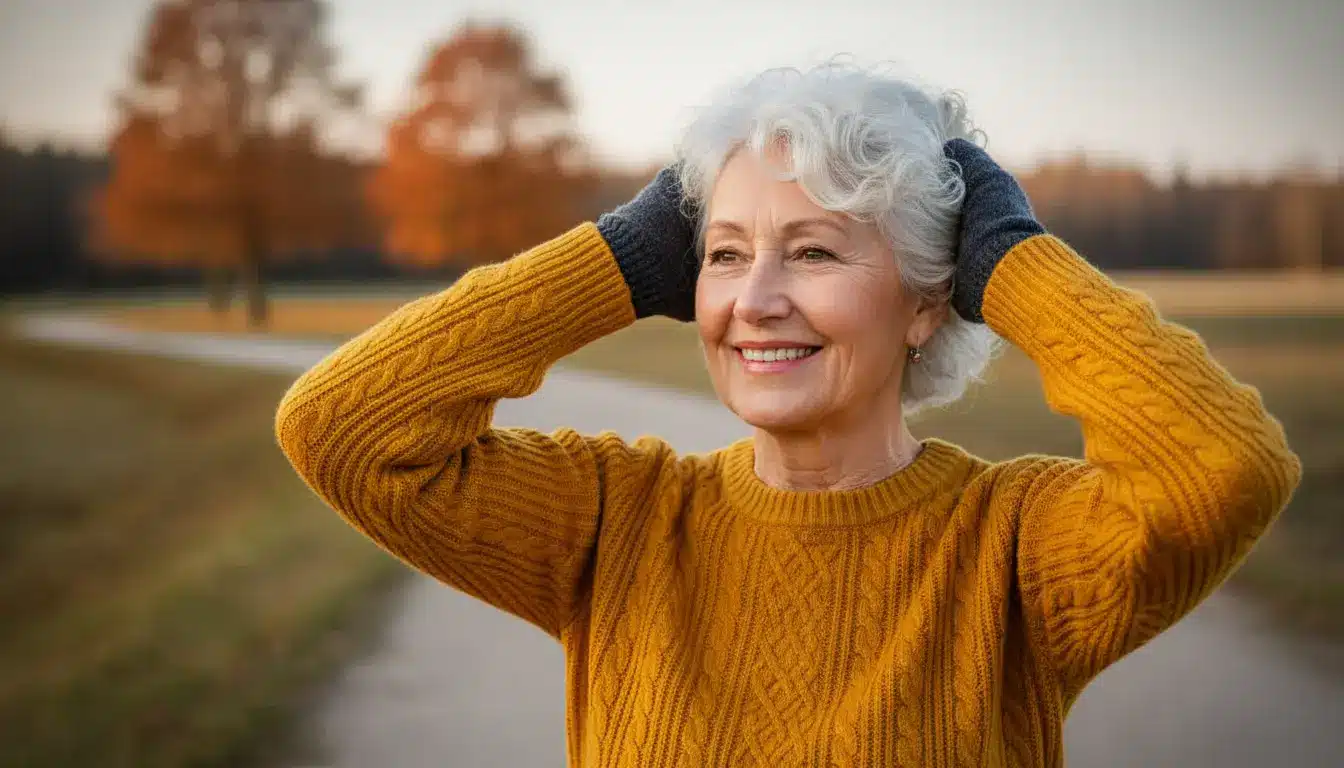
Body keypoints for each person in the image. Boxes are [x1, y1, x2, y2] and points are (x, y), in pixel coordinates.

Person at [275, 62, 1301, 767]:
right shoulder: (617, 520)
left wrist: (1015, 263)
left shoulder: (1013, 553)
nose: (753, 300)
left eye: (813, 251)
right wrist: (620, 258)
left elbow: (1224, 466)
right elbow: (343, 428)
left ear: (927, 304)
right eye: (721, 254)